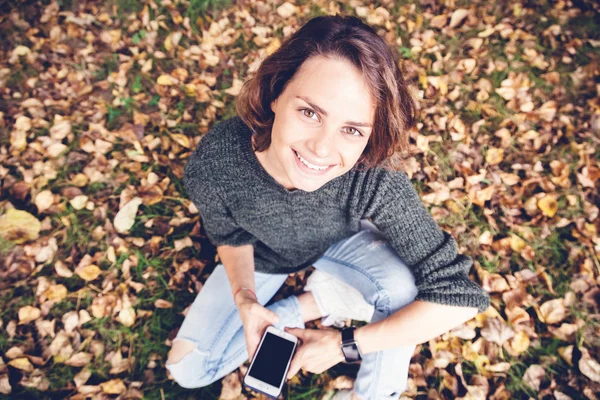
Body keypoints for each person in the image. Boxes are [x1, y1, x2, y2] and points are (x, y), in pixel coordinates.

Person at [166, 14, 490, 400]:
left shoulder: (373, 177)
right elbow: (228, 235)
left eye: (351, 129)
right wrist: (246, 300)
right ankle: (313, 302)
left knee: (404, 287)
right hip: (265, 257)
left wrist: (344, 344)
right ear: (275, 94)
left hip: (340, 241)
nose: (322, 148)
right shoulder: (217, 162)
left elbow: (460, 297)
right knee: (187, 369)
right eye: (310, 112)